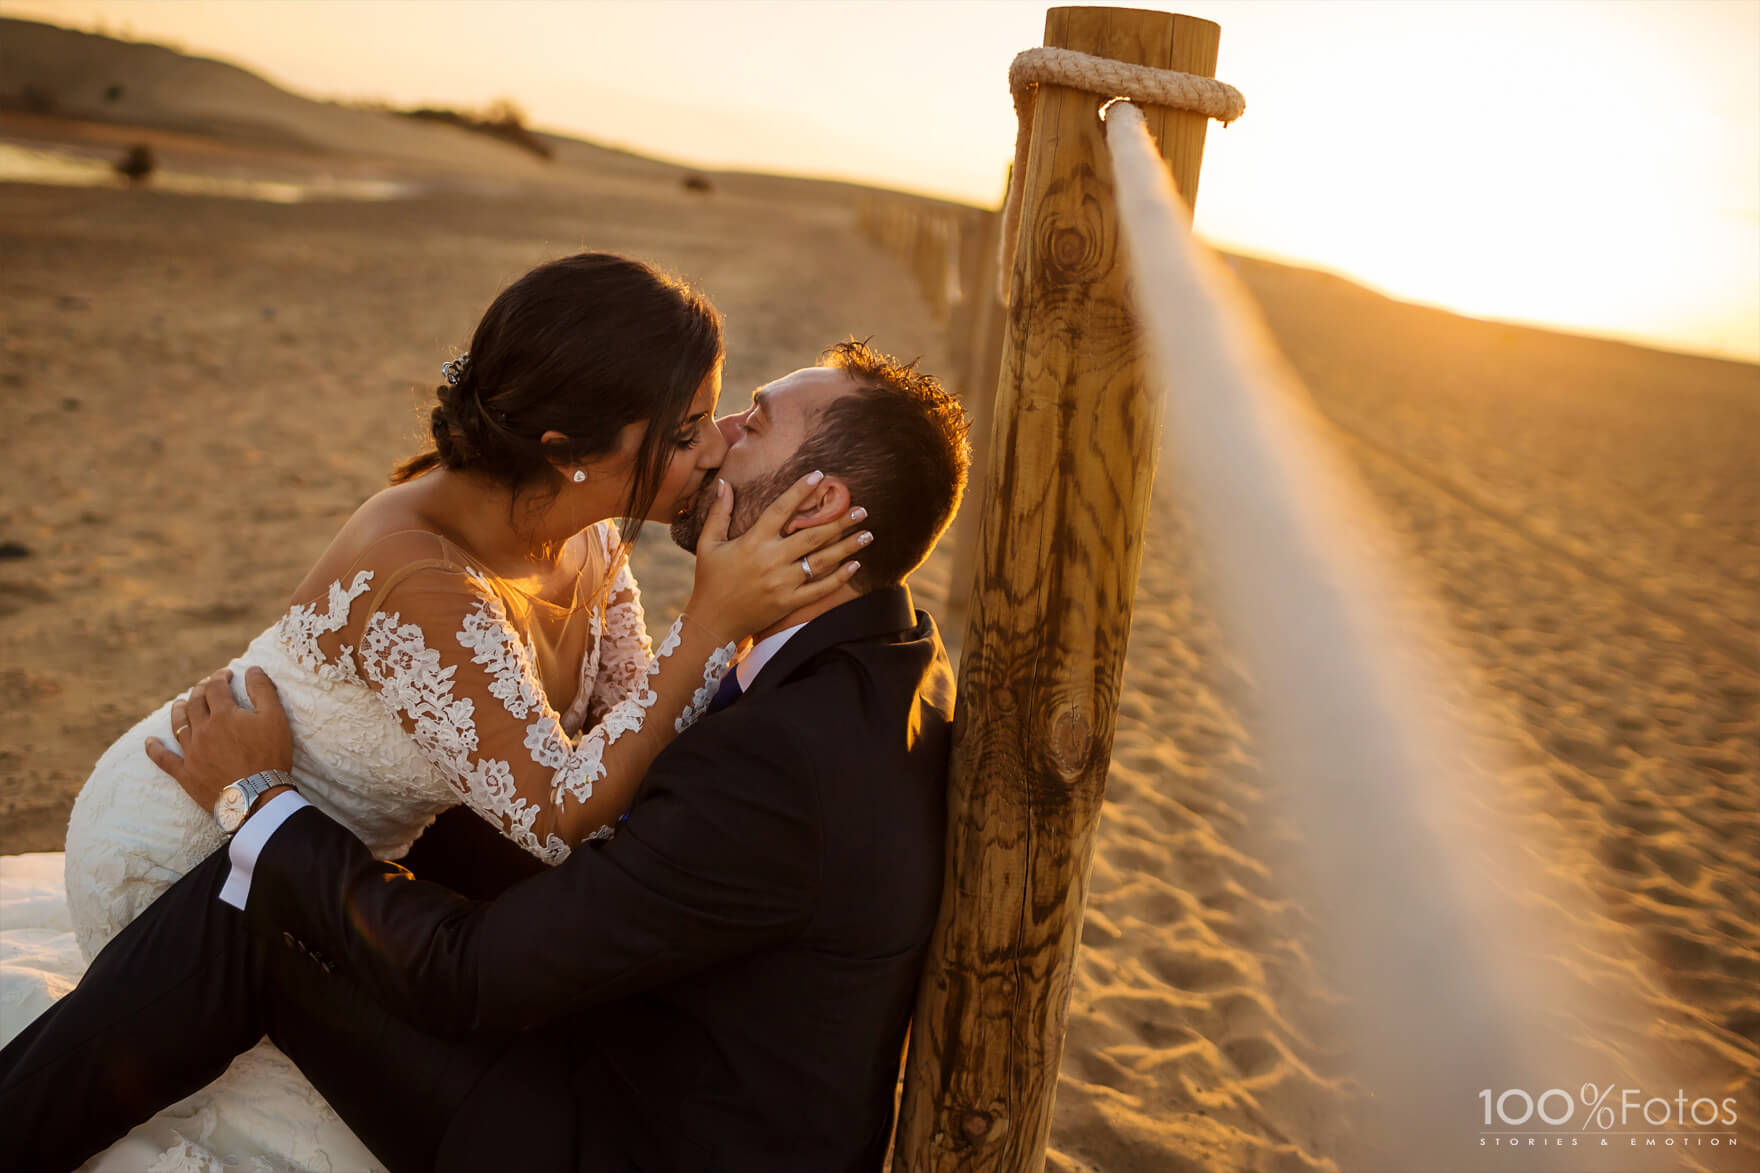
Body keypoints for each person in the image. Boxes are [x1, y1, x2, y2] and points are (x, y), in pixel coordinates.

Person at [0, 340, 972, 1173]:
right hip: (664, 1035)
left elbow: (473, 977)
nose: (718, 439)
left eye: (753, 424)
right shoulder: (879, 661)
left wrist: (258, 796)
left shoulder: (786, 762)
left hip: (623, 1140)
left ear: (816, 507)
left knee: (255, 897)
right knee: (419, 834)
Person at [60, 251, 870, 963]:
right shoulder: (420, 574)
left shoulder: (589, 540)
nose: (719, 448)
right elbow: (557, 816)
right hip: (188, 851)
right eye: (687, 430)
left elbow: (636, 726)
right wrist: (712, 621)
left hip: (318, 864)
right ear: (566, 452)